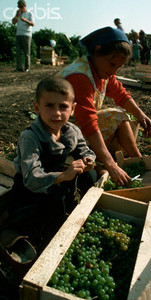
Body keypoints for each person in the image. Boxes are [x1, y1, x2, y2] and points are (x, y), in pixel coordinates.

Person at [58, 27, 151, 187]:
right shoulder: (80, 77)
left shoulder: (101, 70)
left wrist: (141, 115)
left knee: (120, 115)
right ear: (97, 51)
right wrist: (111, 164)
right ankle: (103, 167)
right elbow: (89, 124)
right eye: (112, 64)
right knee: (115, 119)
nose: (114, 71)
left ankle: (137, 160)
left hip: (77, 128)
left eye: (119, 67)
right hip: (60, 135)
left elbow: (120, 94)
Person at [4, 77, 97, 234]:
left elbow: (84, 150)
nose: (57, 113)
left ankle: (77, 213)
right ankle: (50, 234)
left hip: (58, 179)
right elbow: (31, 178)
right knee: (55, 199)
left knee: (90, 176)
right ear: (37, 107)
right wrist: (63, 175)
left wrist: (88, 160)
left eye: (63, 106)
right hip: (31, 189)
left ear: (73, 109)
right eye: (49, 105)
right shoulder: (31, 137)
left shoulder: (71, 131)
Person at [12, 0, 34, 72]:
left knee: (26, 53)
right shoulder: (18, 14)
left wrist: (25, 20)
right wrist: (16, 15)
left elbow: (32, 24)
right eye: (18, 7)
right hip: (18, 34)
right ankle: (19, 68)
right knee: (18, 52)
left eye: (21, 6)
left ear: (24, 6)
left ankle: (27, 68)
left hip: (27, 35)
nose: (20, 8)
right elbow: (13, 22)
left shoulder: (30, 14)